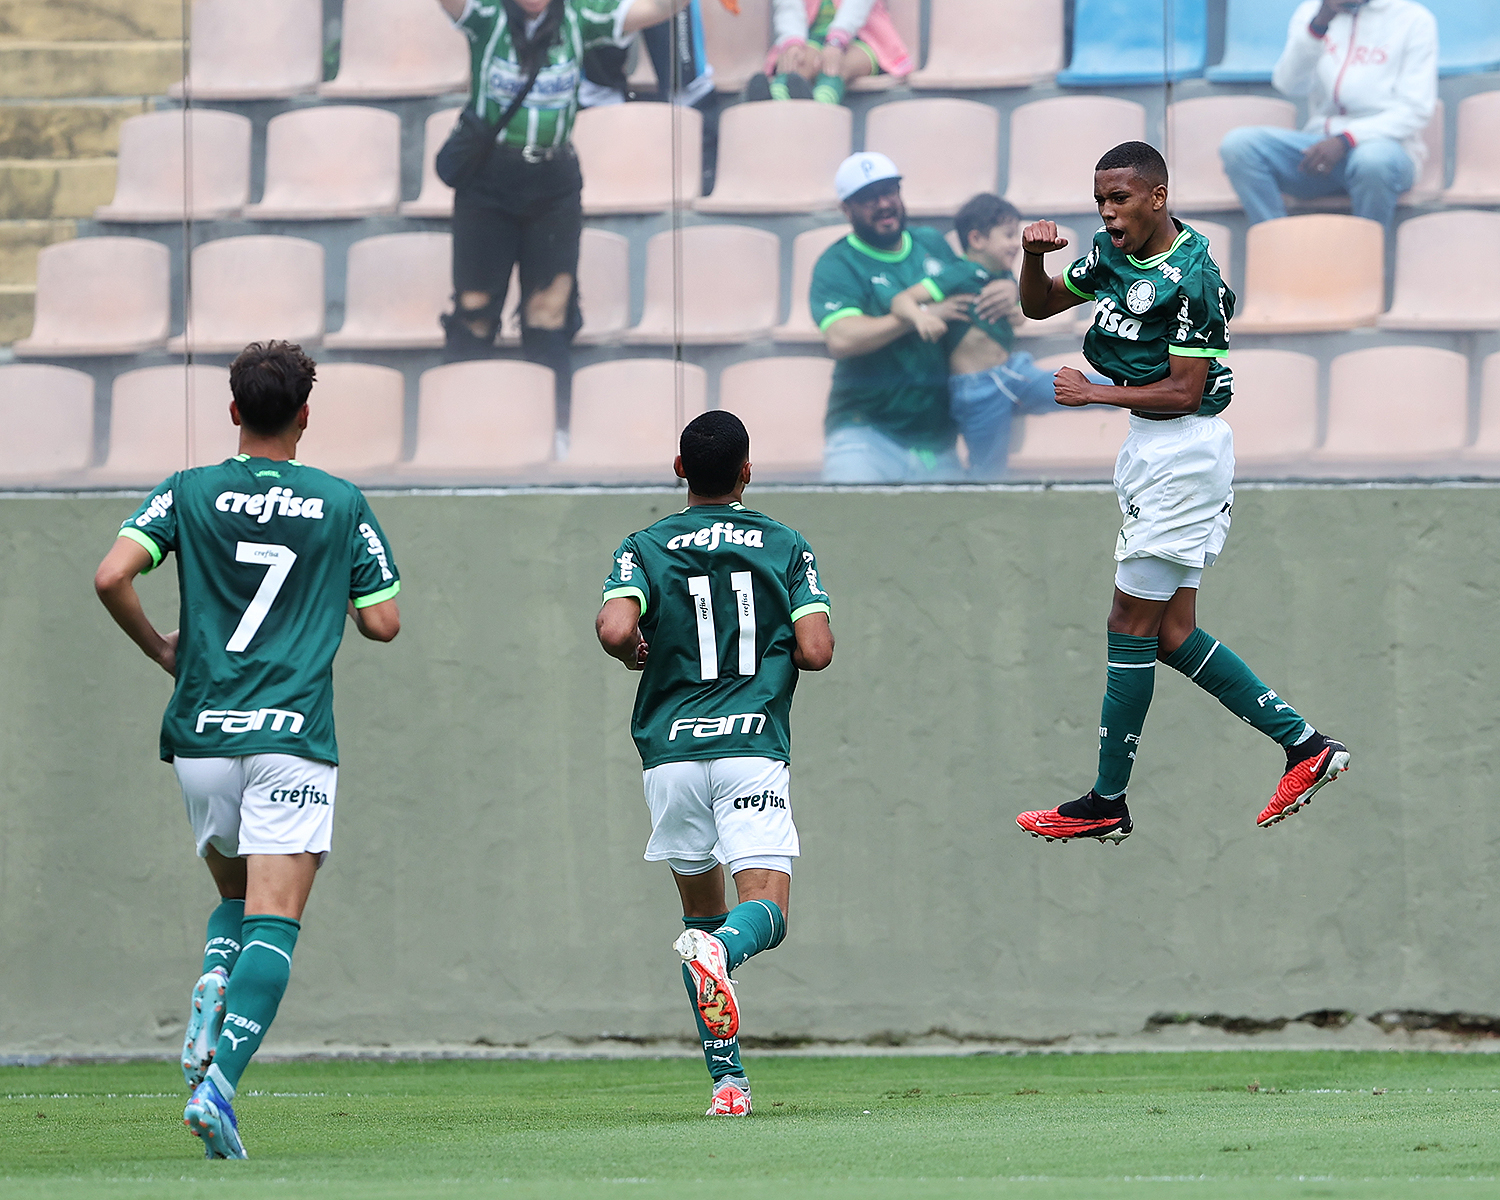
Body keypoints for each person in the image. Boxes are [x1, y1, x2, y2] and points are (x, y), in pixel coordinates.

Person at [93, 341, 402, 1158]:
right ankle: (219, 1085)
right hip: (290, 734)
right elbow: (382, 622)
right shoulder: (340, 503)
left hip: (202, 733)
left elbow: (110, 576)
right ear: (305, 414)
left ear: (233, 412)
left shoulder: (187, 491)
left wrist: (165, 649)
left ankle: (216, 978)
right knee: (278, 917)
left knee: (235, 899)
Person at [1010, 141, 1350, 845]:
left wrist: (1094, 393)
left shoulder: (1191, 273)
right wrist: (1034, 257)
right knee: (1170, 634)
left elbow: (1185, 391)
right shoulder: (1110, 253)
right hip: (1153, 452)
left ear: (1157, 197)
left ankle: (1106, 800)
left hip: (1183, 454)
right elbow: (1040, 306)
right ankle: (1304, 745)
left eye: (1121, 199)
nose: (1107, 212)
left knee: (1127, 627)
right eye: (1101, 200)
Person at [595, 410, 834, 1116]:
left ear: (679, 471)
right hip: (749, 747)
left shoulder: (643, 545)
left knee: (703, 916)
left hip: (670, 755)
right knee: (763, 912)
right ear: (747, 472)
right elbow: (817, 650)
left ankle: (729, 1086)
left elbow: (614, 628)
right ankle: (719, 959)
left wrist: (632, 646)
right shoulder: (785, 544)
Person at [435, 0, 701, 421]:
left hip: (553, 181)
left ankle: (552, 427)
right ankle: (461, 425)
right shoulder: (486, 14)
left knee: (549, 312)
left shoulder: (581, 15)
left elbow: (655, 8)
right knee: (475, 310)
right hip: (487, 181)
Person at [811, 152, 1016, 484]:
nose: (883, 203)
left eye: (889, 191)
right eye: (868, 198)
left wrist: (1009, 288)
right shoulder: (838, 263)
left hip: (937, 440)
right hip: (863, 433)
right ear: (845, 209)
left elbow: (974, 280)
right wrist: (917, 316)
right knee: (849, 531)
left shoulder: (931, 243)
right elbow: (842, 338)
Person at [887, 193, 1112, 480]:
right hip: (977, 389)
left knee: (1066, 385)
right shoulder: (958, 274)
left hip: (1013, 372)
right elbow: (901, 301)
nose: (1014, 244)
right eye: (1007, 235)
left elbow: (1020, 317)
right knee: (988, 472)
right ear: (978, 240)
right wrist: (923, 317)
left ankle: (1128, 387)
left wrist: (1014, 302)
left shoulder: (1005, 275)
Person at [1218, 0, 1437, 231]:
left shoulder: (1413, 19)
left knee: (1373, 161)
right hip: (1320, 148)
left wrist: (1347, 139)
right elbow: (1288, 84)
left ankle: (1367, 256)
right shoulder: (1311, 11)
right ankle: (1280, 245)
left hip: (1386, 148)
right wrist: (1319, 25)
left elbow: (1415, 109)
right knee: (1239, 146)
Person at [745, 0, 912, 104]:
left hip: (864, 36)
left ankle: (821, 105)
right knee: (798, 61)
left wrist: (837, 40)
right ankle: (775, 100)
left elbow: (858, 5)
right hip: (813, 35)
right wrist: (792, 41)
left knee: (836, 64)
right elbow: (788, 6)